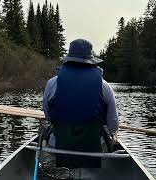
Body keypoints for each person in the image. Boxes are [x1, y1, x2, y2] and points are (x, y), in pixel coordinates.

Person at [43, 39, 119, 168]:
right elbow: (113, 125)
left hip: (59, 149)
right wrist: (111, 131)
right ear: (90, 61)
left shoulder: (51, 84)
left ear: (68, 60)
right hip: (94, 151)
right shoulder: (105, 86)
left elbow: (49, 117)